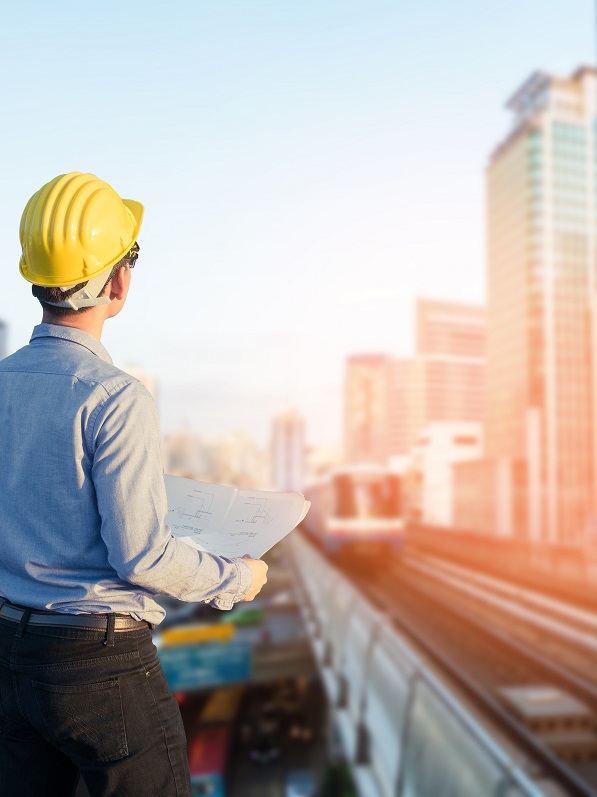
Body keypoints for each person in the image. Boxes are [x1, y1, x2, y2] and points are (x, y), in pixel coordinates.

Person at [0, 171, 268, 797]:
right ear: (118, 280)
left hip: (10, 655)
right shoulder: (115, 398)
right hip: (99, 668)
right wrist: (238, 579)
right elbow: (143, 554)